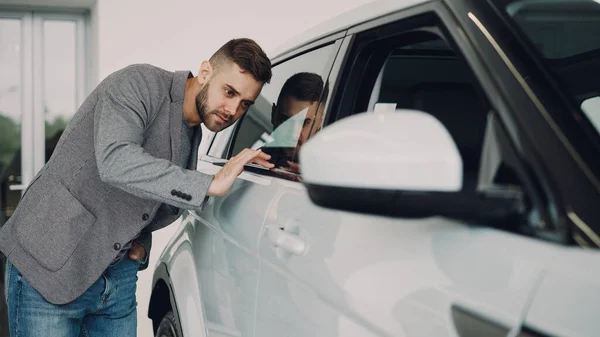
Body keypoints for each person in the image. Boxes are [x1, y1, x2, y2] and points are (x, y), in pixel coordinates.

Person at [0, 38, 273, 337]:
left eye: (245, 103)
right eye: (229, 92)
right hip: (50, 263)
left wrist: (142, 241)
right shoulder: (139, 83)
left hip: (116, 280)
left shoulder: (193, 132)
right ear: (205, 72)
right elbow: (116, 160)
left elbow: (148, 194)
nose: (233, 109)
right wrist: (209, 183)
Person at [264, 72, 328, 175]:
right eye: (286, 121)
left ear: (320, 121)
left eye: (305, 123)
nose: (294, 134)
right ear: (273, 115)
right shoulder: (255, 162)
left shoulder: (331, 170)